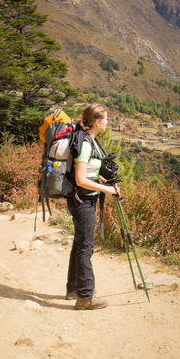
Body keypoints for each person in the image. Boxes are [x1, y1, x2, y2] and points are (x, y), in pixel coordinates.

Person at [65, 103, 120, 310]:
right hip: (83, 200)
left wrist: (102, 182)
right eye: (105, 119)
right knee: (85, 247)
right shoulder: (86, 143)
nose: (107, 122)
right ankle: (85, 297)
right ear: (97, 122)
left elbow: (87, 172)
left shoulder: (89, 140)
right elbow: (80, 179)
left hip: (84, 197)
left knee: (79, 243)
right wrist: (108, 191)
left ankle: (73, 288)